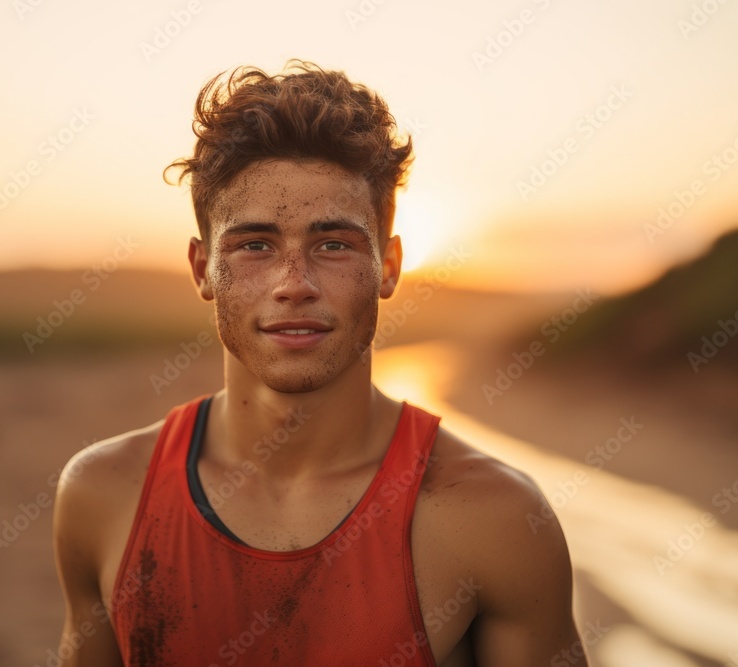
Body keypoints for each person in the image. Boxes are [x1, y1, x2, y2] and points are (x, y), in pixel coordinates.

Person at [52, 59, 588, 666]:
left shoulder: (494, 516)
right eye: (255, 245)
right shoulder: (102, 492)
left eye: (333, 245)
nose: (294, 284)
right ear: (203, 269)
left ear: (388, 267)